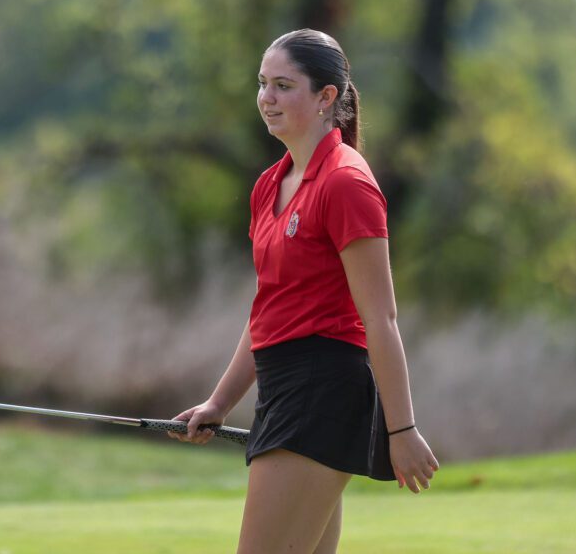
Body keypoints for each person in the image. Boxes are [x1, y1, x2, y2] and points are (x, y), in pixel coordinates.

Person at [169, 28, 439, 554]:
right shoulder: (270, 183)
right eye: (263, 84)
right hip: (283, 389)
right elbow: (270, 306)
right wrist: (220, 401)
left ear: (326, 97)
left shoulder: (346, 183)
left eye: (284, 86)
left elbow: (380, 319)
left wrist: (401, 428)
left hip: (323, 391)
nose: (267, 98)